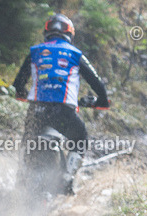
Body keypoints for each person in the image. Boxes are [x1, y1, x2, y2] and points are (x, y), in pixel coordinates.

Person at [12, 13, 110, 157]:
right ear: (69, 34)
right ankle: (67, 176)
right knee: (80, 138)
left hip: (36, 111)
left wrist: (23, 94)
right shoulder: (76, 54)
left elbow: (18, 84)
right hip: (63, 112)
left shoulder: (35, 52)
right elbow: (96, 82)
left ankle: (22, 175)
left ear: (46, 32)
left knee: (27, 144)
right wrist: (103, 100)